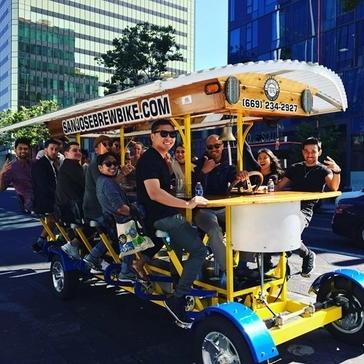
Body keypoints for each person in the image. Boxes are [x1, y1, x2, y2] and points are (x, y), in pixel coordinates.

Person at [136, 119, 208, 328]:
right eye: (163, 133)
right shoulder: (151, 159)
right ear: (152, 136)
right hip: (161, 216)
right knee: (200, 251)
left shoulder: (158, 158)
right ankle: (178, 298)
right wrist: (187, 203)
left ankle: (178, 283)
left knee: (178, 247)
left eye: (172, 134)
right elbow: (154, 192)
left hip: (159, 215)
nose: (168, 137)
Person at [193, 134, 257, 279]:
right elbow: (195, 191)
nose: (214, 149)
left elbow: (237, 181)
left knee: (248, 222)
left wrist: (242, 178)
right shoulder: (198, 165)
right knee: (214, 230)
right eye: (210, 147)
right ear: (206, 149)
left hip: (222, 207)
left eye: (217, 146)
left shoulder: (228, 165)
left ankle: (243, 265)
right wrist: (204, 172)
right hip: (203, 209)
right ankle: (228, 270)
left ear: (222, 146)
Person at [275, 137, 341, 277]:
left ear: (319, 152)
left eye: (313, 151)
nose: (309, 155)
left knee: (289, 234)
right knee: (274, 232)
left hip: (304, 209)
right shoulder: (295, 168)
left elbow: (334, 187)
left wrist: (337, 171)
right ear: (302, 153)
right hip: (287, 207)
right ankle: (286, 263)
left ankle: (306, 255)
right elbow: (279, 187)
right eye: (306, 151)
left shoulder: (323, 170)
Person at [83, 152, 141, 280]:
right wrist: (137, 212)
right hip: (120, 220)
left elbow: (122, 197)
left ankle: (93, 256)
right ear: (100, 168)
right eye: (108, 164)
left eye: (115, 163)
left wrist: (140, 199)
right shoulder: (107, 183)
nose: (113, 166)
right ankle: (126, 270)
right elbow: (120, 207)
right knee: (131, 229)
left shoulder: (105, 180)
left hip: (112, 220)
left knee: (113, 236)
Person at [55, 142, 85, 259]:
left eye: (79, 150)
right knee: (101, 224)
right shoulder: (71, 167)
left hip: (67, 208)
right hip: (72, 210)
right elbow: (85, 185)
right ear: (66, 154)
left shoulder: (69, 166)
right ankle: (74, 245)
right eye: (74, 150)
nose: (78, 153)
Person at [31, 138, 61, 252]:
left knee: (55, 219)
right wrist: (58, 196)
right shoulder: (40, 165)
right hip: (45, 201)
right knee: (69, 214)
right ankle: (64, 239)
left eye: (56, 149)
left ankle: (39, 242)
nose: (54, 151)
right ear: (45, 150)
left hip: (51, 198)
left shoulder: (53, 164)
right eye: (51, 149)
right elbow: (43, 186)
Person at [0, 137, 35, 213]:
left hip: (42, 197)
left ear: (29, 150)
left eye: (25, 149)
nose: (23, 151)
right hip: (29, 202)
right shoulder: (11, 168)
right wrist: (2, 173)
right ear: (15, 150)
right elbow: (1, 189)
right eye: (20, 148)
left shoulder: (35, 164)